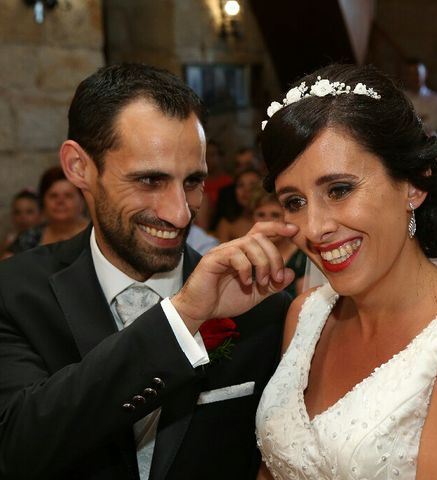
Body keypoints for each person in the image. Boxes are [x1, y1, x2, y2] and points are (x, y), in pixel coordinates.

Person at [0, 63, 298, 479]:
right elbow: (18, 448)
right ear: (79, 167)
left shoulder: (262, 310)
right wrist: (183, 317)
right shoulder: (15, 294)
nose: (179, 213)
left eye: (193, 182)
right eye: (150, 181)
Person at [255, 64, 437, 479]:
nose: (314, 228)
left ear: (413, 184)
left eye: (339, 190)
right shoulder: (305, 315)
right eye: (294, 202)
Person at [8, 165, 88, 255]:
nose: (60, 201)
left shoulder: (98, 235)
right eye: (53, 196)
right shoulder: (29, 238)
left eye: (68, 196)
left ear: (82, 200)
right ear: (43, 201)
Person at [250, 185, 307, 298]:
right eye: (261, 215)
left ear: (287, 219)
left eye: (275, 215)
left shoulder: (304, 257)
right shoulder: (247, 254)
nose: (267, 221)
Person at [211, 166, 262, 242]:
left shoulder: (273, 217)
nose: (246, 190)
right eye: (240, 185)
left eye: (253, 185)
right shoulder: (226, 223)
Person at [402, 58, 437, 135]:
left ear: (425, 74)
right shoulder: (401, 98)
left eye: (417, 73)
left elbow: (433, 125)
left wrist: (411, 120)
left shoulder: (436, 99)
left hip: (429, 143)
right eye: (410, 74)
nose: (414, 77)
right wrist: (422, 117)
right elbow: (401, 124)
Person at [0, 188, 40, 257]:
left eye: (29, 212)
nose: (23, 217)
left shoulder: (44, 237)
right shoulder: (10, 239)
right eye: (17, 212)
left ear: (41, 214)